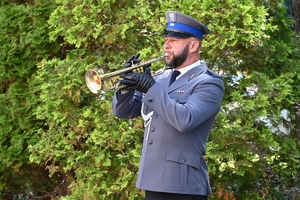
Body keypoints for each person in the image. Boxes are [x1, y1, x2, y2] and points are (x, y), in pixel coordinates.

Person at [112, 11, 224, 200]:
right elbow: (123, 111)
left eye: (174, 40)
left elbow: (185, 120)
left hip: (183, 185)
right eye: (166, 39)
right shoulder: (160, 78)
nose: (166, 45)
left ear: (194, 45)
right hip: (152, 180)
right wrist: (126, 87)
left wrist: (149, 87)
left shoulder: (208, 83)